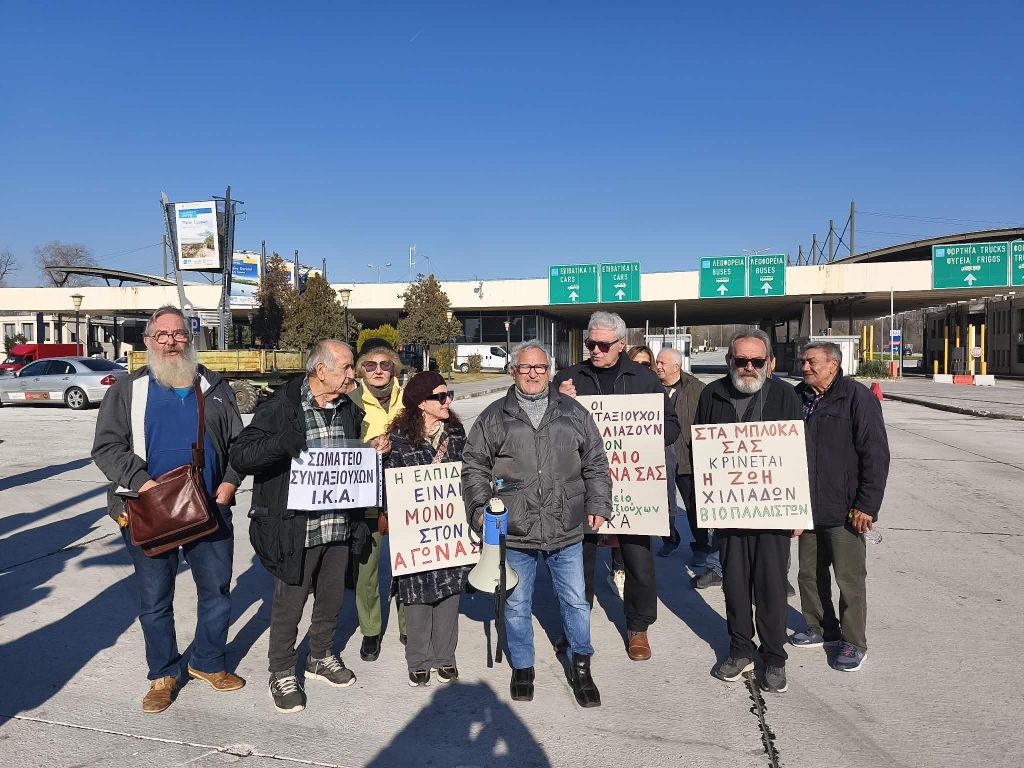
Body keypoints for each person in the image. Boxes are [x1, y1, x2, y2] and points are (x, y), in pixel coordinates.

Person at [92, 305, 245, 714]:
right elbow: (106, 447)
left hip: (209, 507)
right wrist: (144, 485)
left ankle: (207, 662)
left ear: (189, 340)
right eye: (162, 335)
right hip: (149, 510)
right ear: (148, 342)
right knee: (155, 599)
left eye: (179, 334)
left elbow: (239, 444)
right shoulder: (128, 390)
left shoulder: (214, 386)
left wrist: (230, 482)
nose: (171, 342)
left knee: (216, 592)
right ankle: (163, 674)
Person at [230, 339, 380, 713]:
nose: (354, 373)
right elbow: (242, 455)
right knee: (290, 604)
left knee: (331, 597)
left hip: (338, 523)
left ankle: (320, 656)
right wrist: (281, 443)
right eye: (347, 367)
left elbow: (345, 457)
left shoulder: (349, 407)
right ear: (321, 370)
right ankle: (281, 671)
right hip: (295, 526)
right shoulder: (281, 407)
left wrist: (369, 451)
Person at [463, 340, 611, 706]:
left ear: (550, 370)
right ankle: (523, 667)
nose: (533, 374)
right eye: (526, 367)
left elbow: (595, 461)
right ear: (514, 371)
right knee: (516, 603)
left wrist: (598, 502)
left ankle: (581, 664)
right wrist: (480, 507)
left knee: (576, 602)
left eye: (540, 367)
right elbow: (474, 465)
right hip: (516, 529)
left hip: (566, 525)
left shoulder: (573, 412)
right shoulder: (494, 417)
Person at [553, 312, 680, 661]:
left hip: (633, 486)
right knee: (578, 562)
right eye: (590, 343)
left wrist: (644, 433)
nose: (595, 349)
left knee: (639, 562)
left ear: (621, 344)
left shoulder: (644, 378)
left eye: (603, 344)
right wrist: (557, 402)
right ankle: (574, 625)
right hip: (581, 486)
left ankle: (638, 627)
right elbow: (543, 427)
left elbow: (671, 426)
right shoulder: (568, 378)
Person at [695, 329, 803, 694]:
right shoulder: (712, 394)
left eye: (757, 361)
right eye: (742, 360)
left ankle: (774, 657)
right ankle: (741, 649)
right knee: (736, 585)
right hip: (729, 511)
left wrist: (798, 512)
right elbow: (701, 450)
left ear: (769, 363)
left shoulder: (785, 395)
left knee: (772, 587)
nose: (749, 367)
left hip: (774, 510)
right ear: (730, 362)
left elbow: (799, 452)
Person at [791, 341, 890, 672]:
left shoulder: (856, 397)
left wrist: (867, 504)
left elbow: (875, 453)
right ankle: (821, 628)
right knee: (809, 573)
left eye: (812, 362)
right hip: (806, 507)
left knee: (849, 579)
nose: (805, 367)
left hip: (845, 508)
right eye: (803, 361)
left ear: (833, 365)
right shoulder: (798, 397)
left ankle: (853, 642)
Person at [384, 371, 470, 687]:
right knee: (416, 595)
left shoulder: (456, 434)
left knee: (450, 591)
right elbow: (387, 486)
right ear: (421, 403)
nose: (447, 401)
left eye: (449, 395)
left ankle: (445, 657)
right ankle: (418, 660)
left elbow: (469, 474)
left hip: (448, 530)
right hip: (414, 533)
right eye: (440, 396)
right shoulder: (397, 440)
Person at [350, 338, 407, 661]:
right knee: (366, 569)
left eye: (385, 364)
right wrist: (366, 446)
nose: (378, 370)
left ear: (394, 368)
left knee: (407, 564)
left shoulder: (410, 398)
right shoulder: (350, 399)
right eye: (370, 365)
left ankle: (408, 624)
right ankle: (370, 630)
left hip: (404, 493)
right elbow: (338, 444)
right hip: (366, 494)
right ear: (361, 369)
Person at [654, 346, 707, 566]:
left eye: (662, 363)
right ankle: (670, 540)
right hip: (659, 458)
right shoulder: (651, 387)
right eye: (657, 362)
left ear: (676, 366)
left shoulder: (697, 389)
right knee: (662, 504)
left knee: (694, 506)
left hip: (687, 459)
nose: (657, 366)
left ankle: (702, 546)